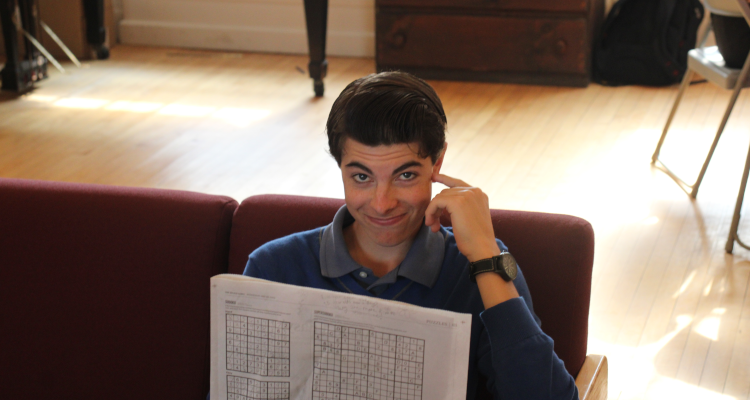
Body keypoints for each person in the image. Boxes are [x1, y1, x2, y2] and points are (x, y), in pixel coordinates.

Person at [243, 71, 578, 399]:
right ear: (339, 167)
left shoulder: (481, 266)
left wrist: (486, 255)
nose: (382, 203)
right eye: (361, 177)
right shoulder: (273, 269)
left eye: (405, 175)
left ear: (438, 162)